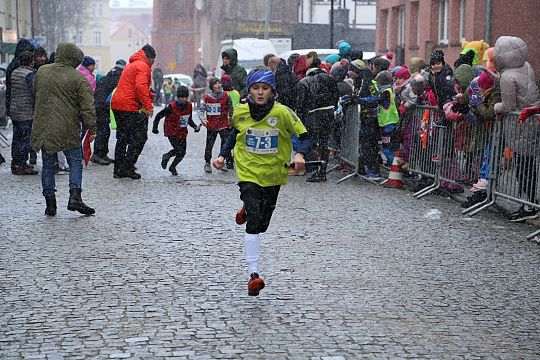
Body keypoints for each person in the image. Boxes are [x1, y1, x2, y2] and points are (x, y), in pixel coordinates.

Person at [212, 69, 313, 296]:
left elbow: (306, 137)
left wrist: (300, 154)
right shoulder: (240, 112)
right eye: (255, 88)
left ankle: (248, 207)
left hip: (274, 174)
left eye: (264, 88)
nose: (260, 93)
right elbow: (232, 134)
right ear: (249, 90)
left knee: (262, 223)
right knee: (254, 221)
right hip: (248, 171)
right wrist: (221, 155)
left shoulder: (283, 113)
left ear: (272, 91)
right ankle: (253, 274)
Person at [31, 42, 97, 216]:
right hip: (68, 127)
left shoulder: (42, 72)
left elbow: (35, 93)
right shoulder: (78, 78)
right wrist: (92, 127)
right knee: (75, 161)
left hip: (44, 125)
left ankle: (50, 202)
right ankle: (75, 197)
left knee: (47, 164)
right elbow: (87, 107)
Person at [493, 36, 540, 222]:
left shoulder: (507, 76)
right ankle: (528, 203)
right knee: (528, 167)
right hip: (531, 122)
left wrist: (497, 107)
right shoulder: (527, 66)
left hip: (519, 125)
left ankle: (528, 205)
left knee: (523, 169)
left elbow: (508, 105)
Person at [111, 44, 155, 179]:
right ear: (150, 57)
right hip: (129, 106)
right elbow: (140, 86)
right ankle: (127, 167)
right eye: (153, 60)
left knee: (123, 138)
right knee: (140, 137)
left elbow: (133, 86)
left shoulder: (133, 64)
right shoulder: (143, 66)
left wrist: (149, 96)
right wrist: (148, 106)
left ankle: (118, 169)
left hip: (118, 103)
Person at [296, 57, 339, 182]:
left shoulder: (304, 82)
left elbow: (300, 103)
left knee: (312, 142)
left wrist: (301, 117)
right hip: (328, 112)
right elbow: (336, 96)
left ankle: (315, 168)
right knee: (324, 143)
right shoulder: (330, 79)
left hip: (313, 114)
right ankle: (322, 170)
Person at [152, 86, 201, 175]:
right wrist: (155, 128)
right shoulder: (172, 106)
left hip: (182, 131)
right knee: (179, 150)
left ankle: (173, 167)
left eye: (185, 97)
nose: (183, 99)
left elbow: (188, 119)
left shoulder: (189, 106)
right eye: (181, 97)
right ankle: (167, 156)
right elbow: (159, 115)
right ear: (178, 97)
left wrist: (195, 127)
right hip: (171, 131)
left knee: (182, 152)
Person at [91, 59, 126, 165]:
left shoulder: (110, 74)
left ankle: (102, 154)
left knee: (104, 130)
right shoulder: (119, 76)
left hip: (99, 105)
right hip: (102, 106)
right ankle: (97, 155)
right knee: (103, 131)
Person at [10, 51, 37, 175]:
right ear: (31, 61)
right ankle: (21, 164)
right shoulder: (30, 74)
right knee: (25, 140)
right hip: (26, 112)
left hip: (15, 110)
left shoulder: (15, 72)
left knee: (17, 138)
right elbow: (34, 92)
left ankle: (15, 163)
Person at [201, 77, 234, 172]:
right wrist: (203, 119)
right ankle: (207, 163)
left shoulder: (226, 96)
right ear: (212, 86)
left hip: (223, 124)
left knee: (224, 145)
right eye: (215, 83)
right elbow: (201, 110)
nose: (218, 85)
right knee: (209, 145)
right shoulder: (208, 97)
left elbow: (231, 109)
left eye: (219, 83)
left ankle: (220, 162)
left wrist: (231, 119)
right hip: (211, 126)